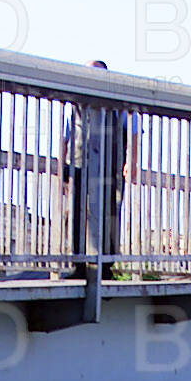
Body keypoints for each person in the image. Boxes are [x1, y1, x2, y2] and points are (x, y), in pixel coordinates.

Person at [64, 61, 139, 280]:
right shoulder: (76, 104)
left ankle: (105, 266)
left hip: (110, 168)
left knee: (110, 211)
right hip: (80, 164)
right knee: (77, 212)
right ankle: (78, 264)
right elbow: (67, 135)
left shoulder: (119, 104)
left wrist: (132, 162)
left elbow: (133, 131)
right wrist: (63, 166)